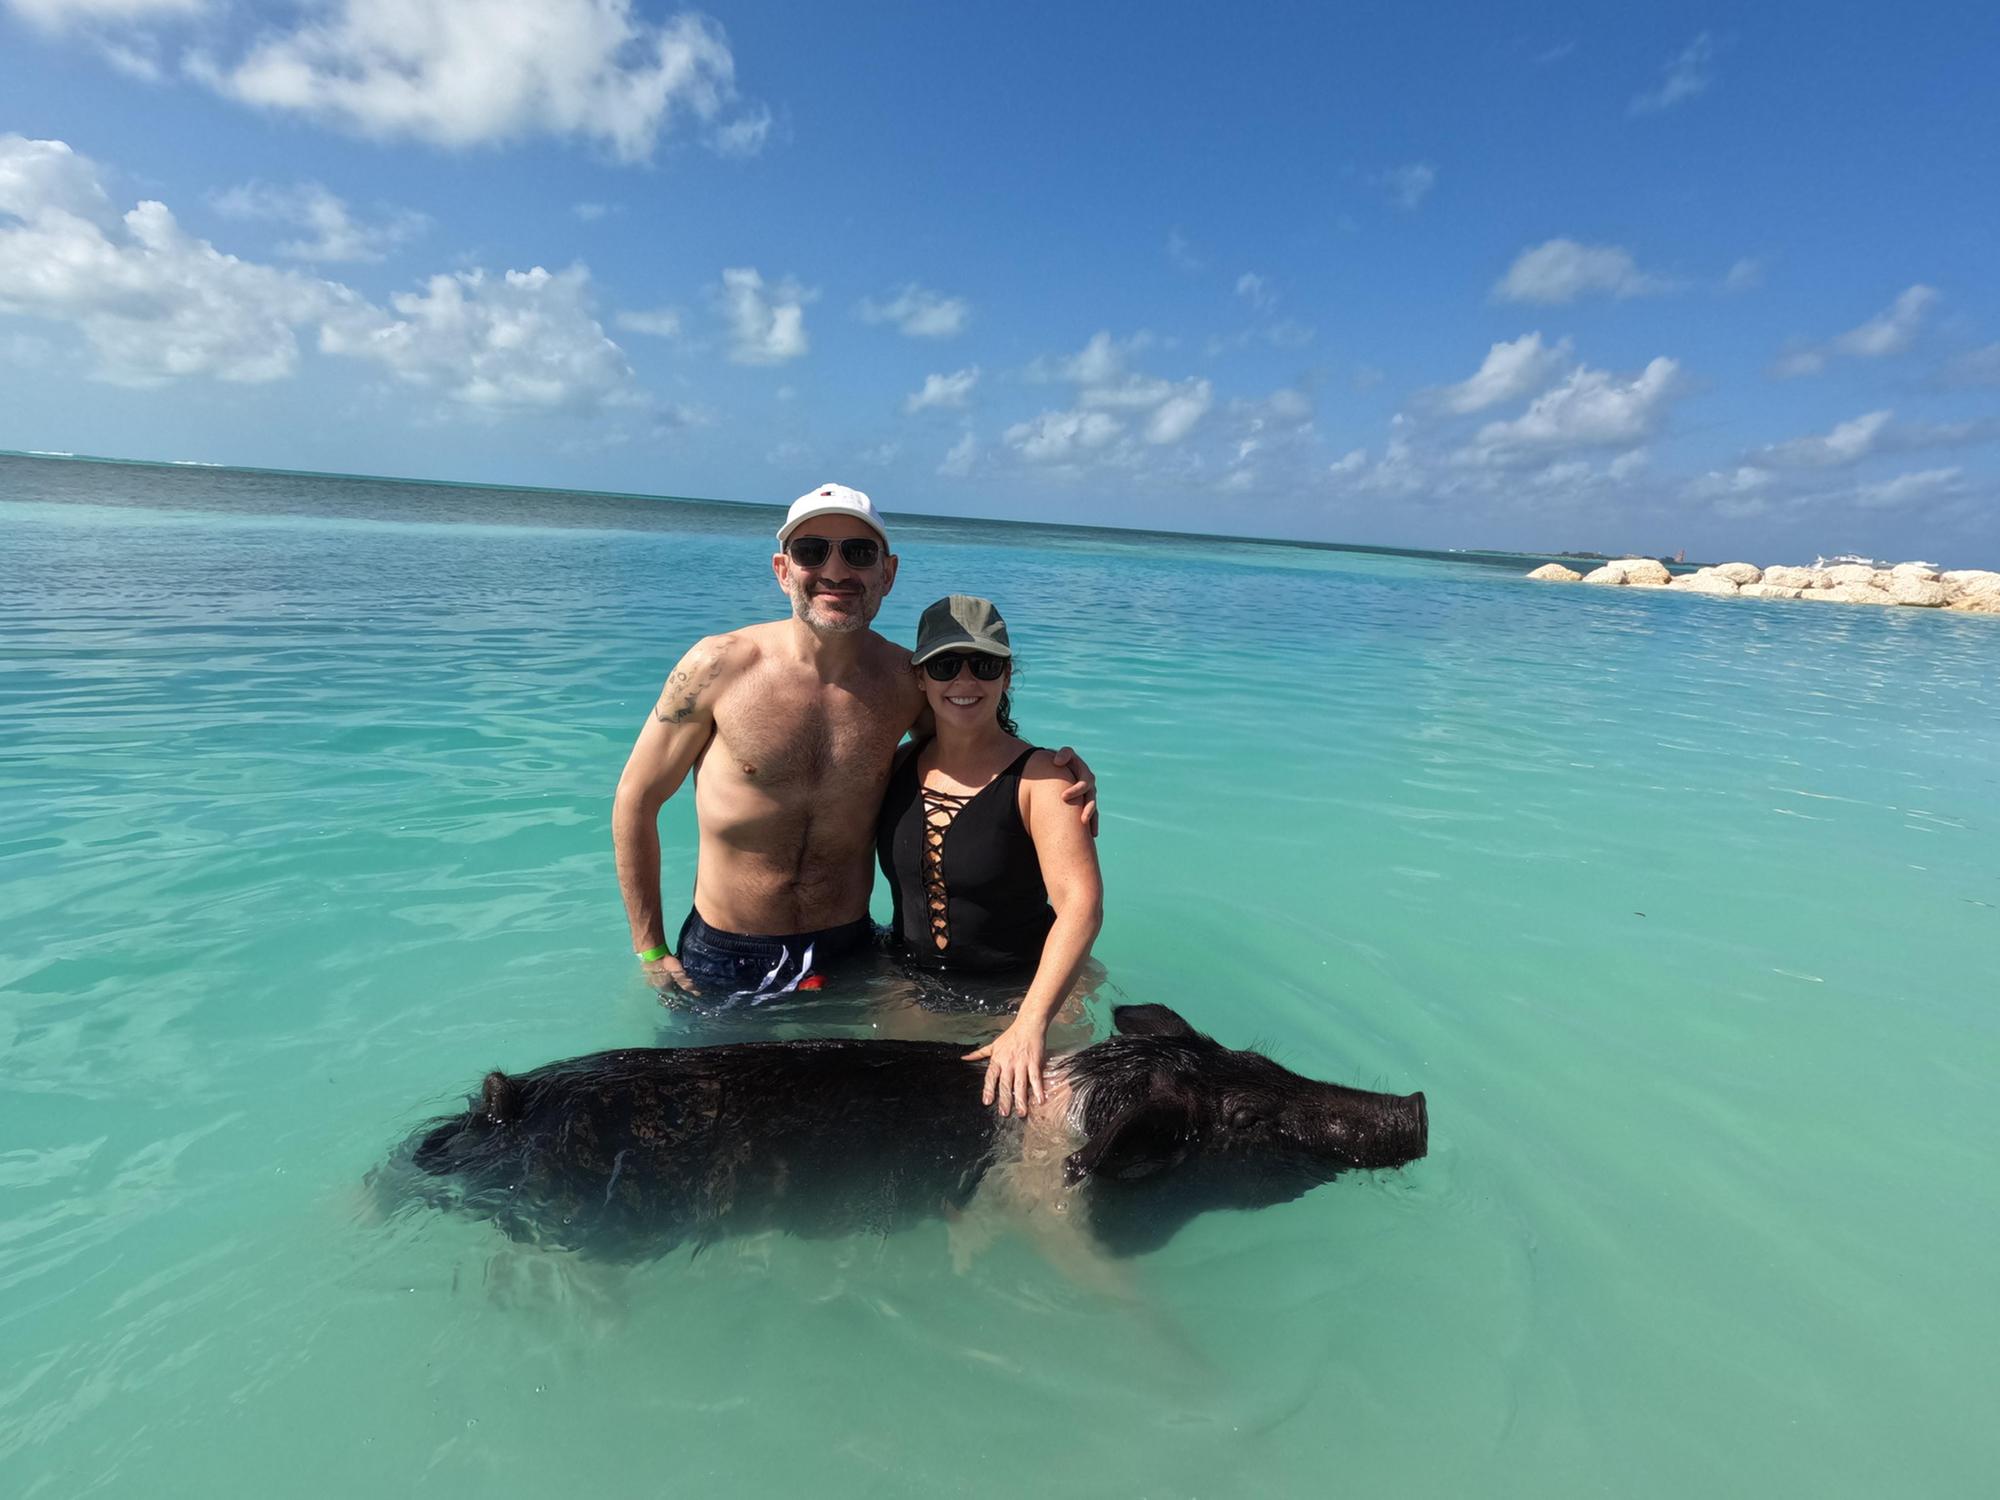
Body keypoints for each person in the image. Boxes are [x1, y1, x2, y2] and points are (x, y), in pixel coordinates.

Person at [612, 483, 1096, 1001]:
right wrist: (650, 948)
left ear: (886, 573)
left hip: (852, 952)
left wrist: (1054, 774)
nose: (837, 571)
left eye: (859, 553)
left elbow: (976, 757)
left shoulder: (904, 680)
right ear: (783, 570)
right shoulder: (715, 667)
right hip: (727, 951)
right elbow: (636, 802)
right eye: (812, 550)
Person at [877, 596, 1104, 1119]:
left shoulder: (1043, 780)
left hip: (1024, 990)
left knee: (1033, 1140)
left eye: (984, 665)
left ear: (1006, 676)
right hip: (913, 983)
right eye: (944, 665)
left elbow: (1081, 907)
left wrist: (1030, 1023)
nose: (964, 681)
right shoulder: (894, 766)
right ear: (920, 678)